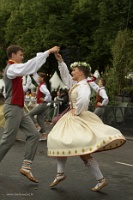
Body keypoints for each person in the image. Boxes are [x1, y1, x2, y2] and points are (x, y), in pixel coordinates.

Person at [47, 53, 126, 192]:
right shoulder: (78, 84)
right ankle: (61, 174)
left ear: (81, 72)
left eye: (74, 70)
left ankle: (99, 179)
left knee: (77, 148)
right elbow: (66, 77)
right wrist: (61, 62)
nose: (72, 72)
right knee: (60, 141)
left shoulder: (83, 86)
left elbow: (84, 100)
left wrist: (76, 112)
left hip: (77, 117)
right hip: (74, 117)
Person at [0, 45, 59, 183]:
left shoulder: (15, 70)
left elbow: (29, 68)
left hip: (19, 109)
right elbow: (29, 66)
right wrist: (48, 52)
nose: (22, 57)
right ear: (13, 55)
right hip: (13, 108)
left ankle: (26, 167)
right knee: (8, 140)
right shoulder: (12, 68)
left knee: (33, 135)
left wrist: (44, 55)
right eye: (20, 54)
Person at [28, 72, 51, 141]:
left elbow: (48, 93)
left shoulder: (42, 86)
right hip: (42, 104)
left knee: (29, 114)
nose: (38, 78)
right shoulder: (41, 85)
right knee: (40, 120)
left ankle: (37, 126)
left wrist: (45, 99)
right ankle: (44, 136)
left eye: (39, 77)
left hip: (42, 104)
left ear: (42, 78)